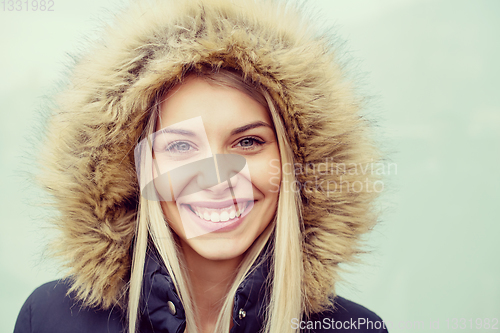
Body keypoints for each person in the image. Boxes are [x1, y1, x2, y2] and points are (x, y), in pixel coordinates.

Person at [14, 0, 388, 332]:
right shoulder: (52, 319)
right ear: (136, 172)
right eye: (180, 145)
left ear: (295, 168)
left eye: (247, 142)